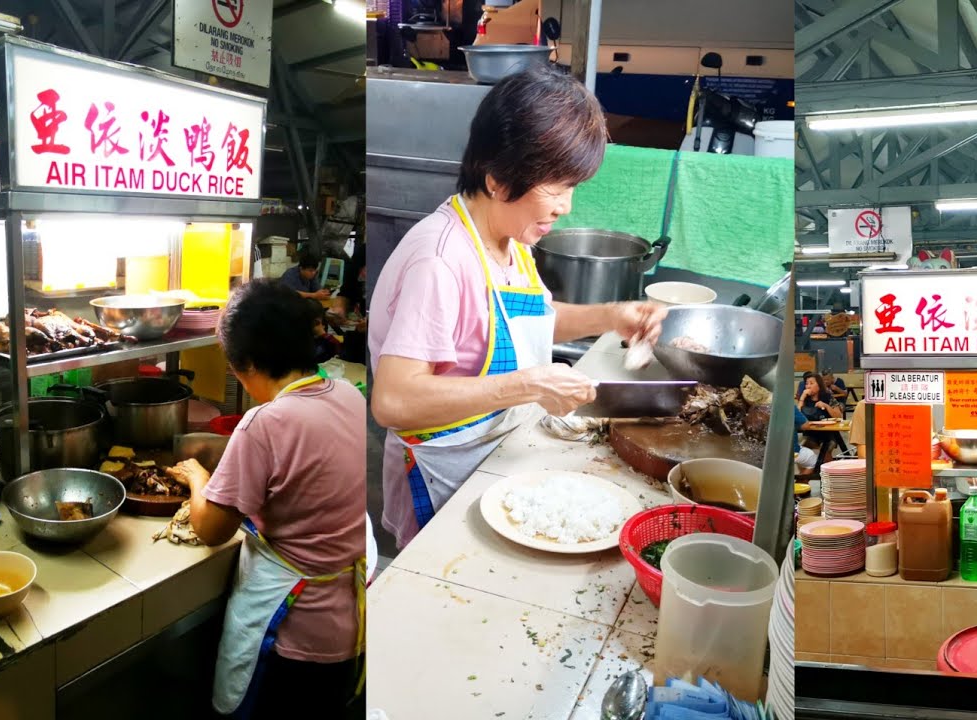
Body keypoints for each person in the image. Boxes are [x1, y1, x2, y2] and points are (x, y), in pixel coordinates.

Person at [368, 66, 667, 549]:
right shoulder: (442, 259)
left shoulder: (510, 243)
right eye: (557, 187)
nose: (565, 206)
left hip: (492, 453)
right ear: (499, 179)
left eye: (572, 188)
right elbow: (393, 401)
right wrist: (528, 384)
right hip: (441, 468)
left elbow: (531, 321)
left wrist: (613, 316)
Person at [167, 280, 366, 719]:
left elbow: (212, 530)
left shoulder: (266, 422)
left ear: (248, 363)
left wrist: (199, 477)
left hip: (295, 634)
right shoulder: (349, 396)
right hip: (349, 626)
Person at [798, 373, 844, 466]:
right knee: (800, 454)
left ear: (819, 385)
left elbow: (839, 416)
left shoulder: (828, 397)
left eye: (811, 383)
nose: (808, 386)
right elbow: (797, 416)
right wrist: (802, 398)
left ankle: (829, 474)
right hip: (811, 434)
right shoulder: (804, 400)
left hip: (828, 434)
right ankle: (804, 477)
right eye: (807, 383)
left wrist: (826, 406)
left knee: (826, 450)